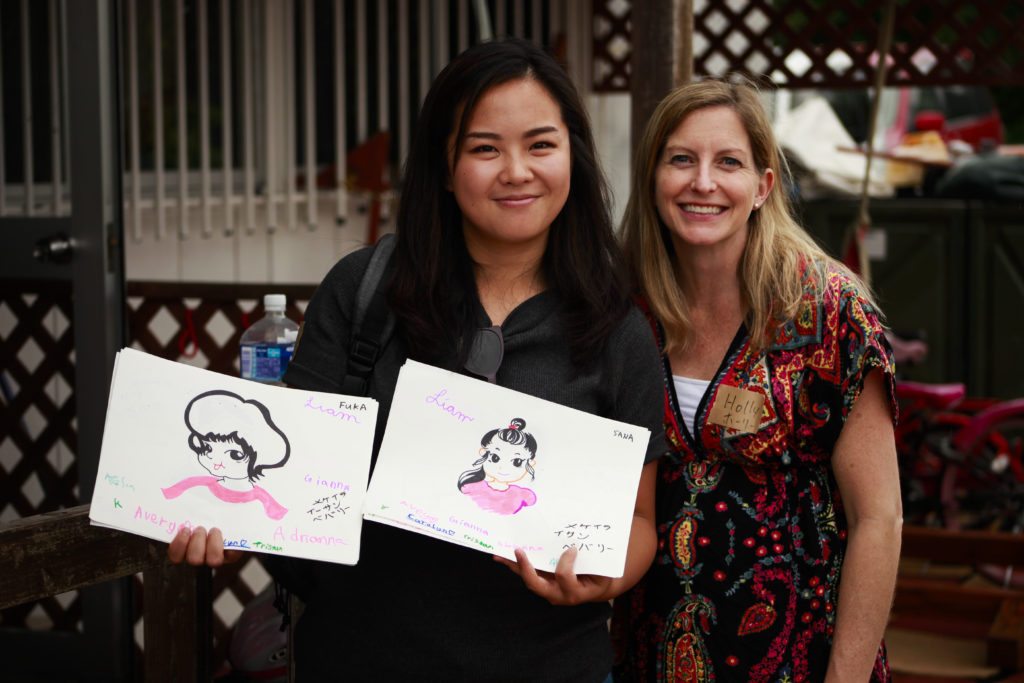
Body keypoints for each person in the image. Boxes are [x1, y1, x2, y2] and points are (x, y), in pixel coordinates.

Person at [168, 37, 666, 681]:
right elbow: (288, 475)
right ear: (445, 164)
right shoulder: (365, 290)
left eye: (541, 144)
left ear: (574, 154)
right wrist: (228, 517)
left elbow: (639, 519)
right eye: (485, 148)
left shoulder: (616, 326)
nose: (517, 170)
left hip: (550, 665)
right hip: (361, 660)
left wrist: (603, 579)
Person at [610, 78, 902, 682]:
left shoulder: (828, 310)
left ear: (763, 186)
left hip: (800, 659)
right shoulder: (622, 305)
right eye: (681, 159)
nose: (703, 182)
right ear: (653, 178)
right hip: (649, 655)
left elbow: (879, 519)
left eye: (728, 162)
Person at [162, 390, 289, 520]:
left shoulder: (264, 501)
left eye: (235, 454)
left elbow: (278, 520)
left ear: (259, 460)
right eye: (208, 448)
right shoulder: (197, 484)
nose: (216, 460)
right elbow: (167, 498)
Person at [457, 416, 539, 515]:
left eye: (517, 462)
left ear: (531, 463)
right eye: (495, 458)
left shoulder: (524, 496)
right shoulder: (471, 487)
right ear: (483, 453)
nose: (503, 467)